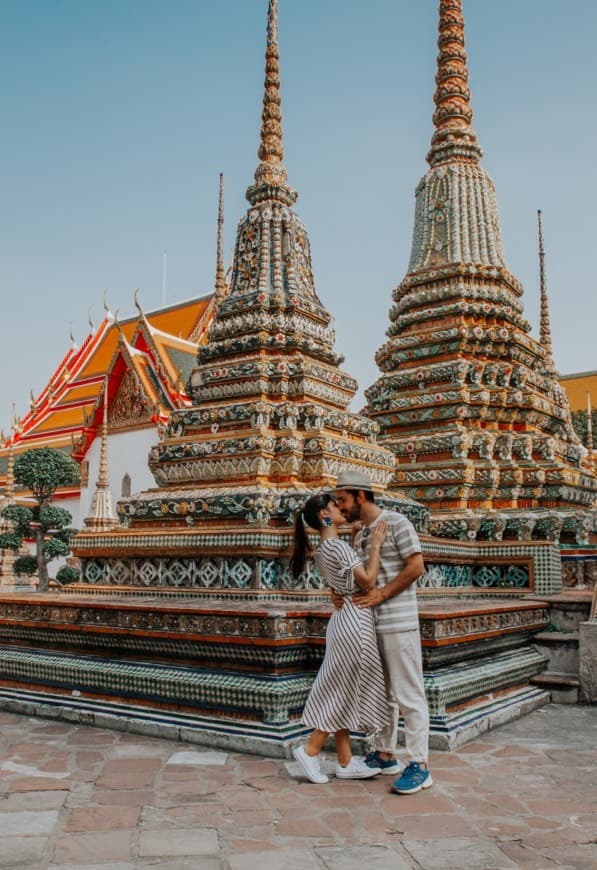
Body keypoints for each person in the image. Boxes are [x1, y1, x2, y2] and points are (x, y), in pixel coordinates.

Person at [333, 469, 432, 795]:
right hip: (370, 625)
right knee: (383, 695)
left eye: (343, 500)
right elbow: (366, 579)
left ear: (361, 496)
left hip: (398, 622)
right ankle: (386, 753)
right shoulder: (361, 535)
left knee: (408, 694)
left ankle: (419, 764)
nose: (341, 507)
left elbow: (416, 566)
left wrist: (382, 595)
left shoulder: (398, 522)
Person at [289, 492, 390, 784]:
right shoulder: (337, 548)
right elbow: (368, 580)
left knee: (341, 687)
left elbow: (342, 582)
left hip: (343, 618)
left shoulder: (323, 549)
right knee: (341, 689)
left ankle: (345, 762)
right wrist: (375, 546)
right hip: (355, 622)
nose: (341, 508)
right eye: (335, 504)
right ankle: (310, 750)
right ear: (324, 514)